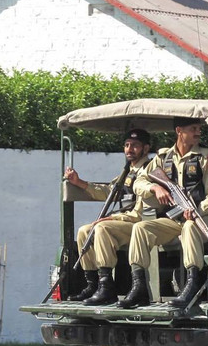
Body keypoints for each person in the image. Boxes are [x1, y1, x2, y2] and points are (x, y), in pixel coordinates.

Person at [117, 117, 208, 309]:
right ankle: (139, 287)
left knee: (189, 227)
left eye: (199, 128)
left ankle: (192, 283)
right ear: (179, 131)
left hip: (206, 219)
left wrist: (196, 211)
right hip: (175, 219)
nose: (198, 132)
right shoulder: (163, 158)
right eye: (193, 128)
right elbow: (139, 182)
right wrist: (155, 187)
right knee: (141, 228)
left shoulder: (206, 157)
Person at [65, 128, 152, 306]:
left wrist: (113, 219)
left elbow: (139, 214)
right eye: (127, 145)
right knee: (84, 231)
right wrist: (79, 182)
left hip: (141, 225)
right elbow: (109, 192)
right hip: (125, 222)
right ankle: (93, 284)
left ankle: (107, 288)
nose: (129, 149)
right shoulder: (128, 171)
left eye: (135, 145)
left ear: (145, 148)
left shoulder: (149, 169)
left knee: (102, 227)